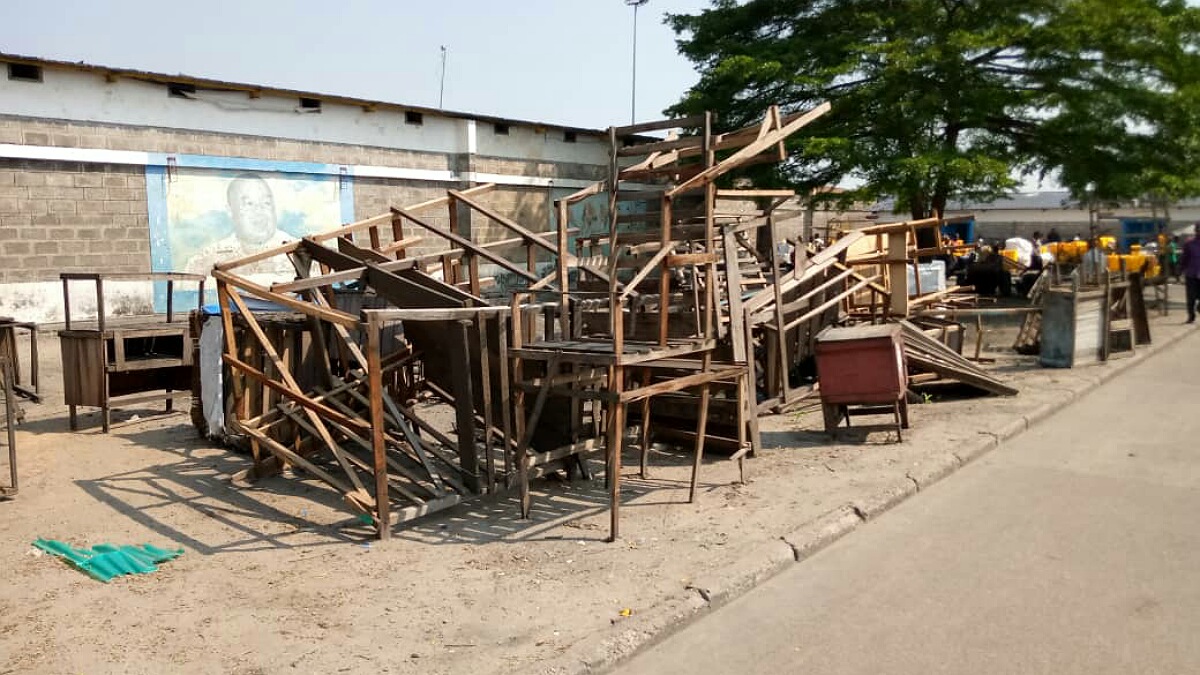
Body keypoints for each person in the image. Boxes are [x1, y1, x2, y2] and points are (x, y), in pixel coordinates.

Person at [183, 173, 296, 276]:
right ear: (230, 210)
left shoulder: (300, 254)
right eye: (249, 204)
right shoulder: (208, 259)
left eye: (266, 203)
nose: (259, 211)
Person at [1181, 224, 1200, 323]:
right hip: (1191, 274)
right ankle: (1191, 316)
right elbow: (1184, 259)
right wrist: (1182, 270)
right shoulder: (1189, 244)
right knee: (1191, 297)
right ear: (1196, 231)